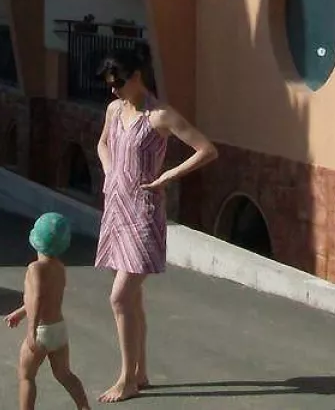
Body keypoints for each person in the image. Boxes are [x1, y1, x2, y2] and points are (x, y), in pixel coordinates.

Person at [94, 44, 217, 403]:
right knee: (132, 299)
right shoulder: (114, 110)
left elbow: (207, 149)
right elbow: (103, 144)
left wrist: (167, 177)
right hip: (116, 208)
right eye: (109, 84)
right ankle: (140, 372)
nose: (113, 90)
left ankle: (126, 379)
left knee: (120, 297)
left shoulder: (160, 116)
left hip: (144, 213)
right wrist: (109, 171)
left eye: (118, 82)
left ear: (137, 76)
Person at [4, 213, 90, 410]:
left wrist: (31, 331)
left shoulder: (35, 268)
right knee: (64, 374)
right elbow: (47, 298)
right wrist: (20, 312)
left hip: (41, 331)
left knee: (26, 376)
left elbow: (37, 298)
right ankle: (84, 407)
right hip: (58, 329)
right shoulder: (60, 268)